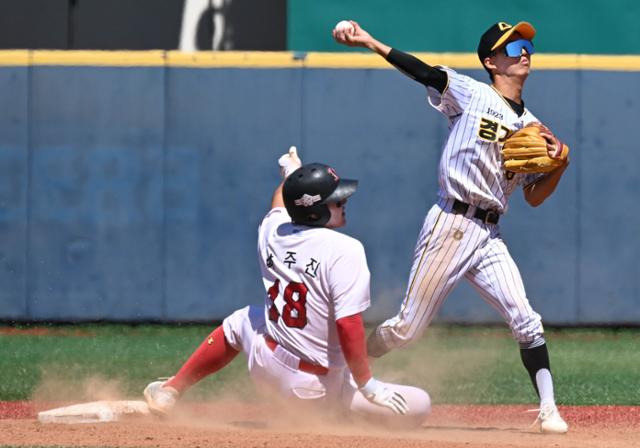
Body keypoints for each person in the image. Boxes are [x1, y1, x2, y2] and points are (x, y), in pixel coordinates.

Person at [333, 21, 570, 434]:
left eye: (526, 45)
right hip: (451, 223)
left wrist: (559, 166)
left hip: (489, 234)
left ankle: (549, 410)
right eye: (511, 47)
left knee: (527, 319)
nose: (523, 52)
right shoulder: (471, 92)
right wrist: (370, 41)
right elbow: (423, 71)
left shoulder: (533, 126)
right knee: (407, 328)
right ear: (490, 61)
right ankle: (342, 375)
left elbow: (534, 196)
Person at [143, 147, 431, 427]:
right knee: (419, 404)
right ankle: (335, 412)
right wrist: (367, 384)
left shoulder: (272, 232)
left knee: (242, 320)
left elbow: (280, 204)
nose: (344, 203)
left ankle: (170, 390)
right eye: (336, 200)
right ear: (315, 210)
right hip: (316, 389)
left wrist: (291, 175)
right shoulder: (346, 250)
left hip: (267, 364)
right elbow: (348, 324)